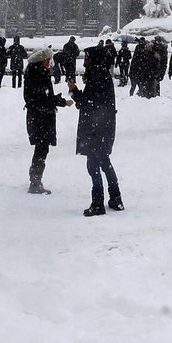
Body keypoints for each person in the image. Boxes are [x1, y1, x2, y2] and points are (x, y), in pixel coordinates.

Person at [68, 40, 122, 215]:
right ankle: (116, 198)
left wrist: (74, 90)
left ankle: (98, 203)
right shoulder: (102, 75)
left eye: (87, 58)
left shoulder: (97, 77)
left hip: (95, 129)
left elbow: (87, 104)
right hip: (104, 128)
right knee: (104, 162)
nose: (85, 62)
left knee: (93, 165)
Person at [23, 47, 71, 194]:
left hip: (38, 117)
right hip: (41, 118)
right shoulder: (38, 75)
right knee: (41, 149)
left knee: (41, 148)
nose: (49, 62)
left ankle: (35, 179)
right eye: (47, 60)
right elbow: (42, 99)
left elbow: (42, 97)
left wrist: (55, 100)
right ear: (40, 60)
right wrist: (61, 101)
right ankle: (35, 182)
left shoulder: (35, 72)